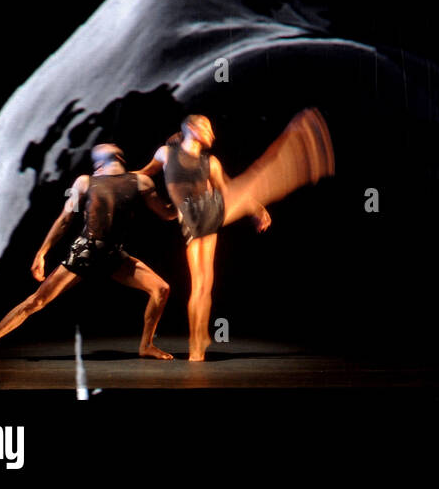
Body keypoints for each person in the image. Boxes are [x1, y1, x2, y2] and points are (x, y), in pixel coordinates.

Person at [138, 109, 334, 361]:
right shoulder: (166, 154)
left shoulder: (211, 163)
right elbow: (144, 173)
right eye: (208, 128)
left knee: (202, 285)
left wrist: (256, 208)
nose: (213, 134)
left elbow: (228, 190)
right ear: (194, 130)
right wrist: (117, 180)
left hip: (204, 215)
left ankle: (196, 349)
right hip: (195, 218)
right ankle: (299, 143)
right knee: (200, 285)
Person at [0, 144, 177, 364]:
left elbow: (168, 213)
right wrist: (42, 253)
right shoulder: (85, 182)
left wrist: (187, 198)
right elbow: (65, 219)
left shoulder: (141, 182)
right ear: (98, 163)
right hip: (86, 252)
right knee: (37, 301)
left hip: (114, 255)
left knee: (161, 289)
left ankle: (146, 345)